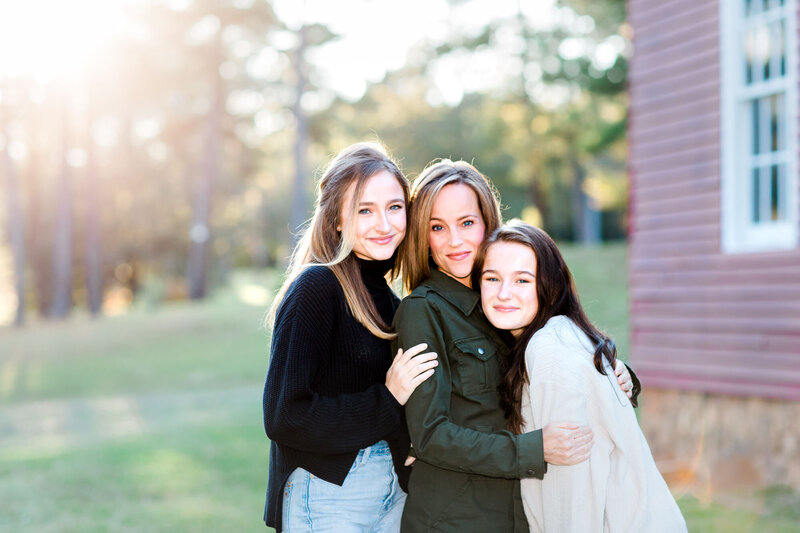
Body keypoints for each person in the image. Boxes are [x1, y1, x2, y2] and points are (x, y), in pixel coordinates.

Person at [392, 160, 637, 532]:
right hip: (455, 517)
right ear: (421, 237)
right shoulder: (423, 311)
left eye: (467, 223)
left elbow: (560, 344)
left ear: (488, 223)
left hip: (523, 513)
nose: (454, 241)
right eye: (437, 227)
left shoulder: (506, 297)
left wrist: (618, 375)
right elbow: (430, 435)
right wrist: (533, 450)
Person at [262, 142, 438, 533]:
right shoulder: (317, 287)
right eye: (365, 210)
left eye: (395, 207)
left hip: (389, 490)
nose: (385, 224)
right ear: (338, 219)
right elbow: (283, 416)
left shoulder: (389, 300)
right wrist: (388, 400)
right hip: (329, 492)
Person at [475, 220, 686, 533]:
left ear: (549, 286)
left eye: (522, 280)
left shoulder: (550, 348)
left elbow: (571, 482)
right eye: (492, 278)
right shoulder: (560, 337)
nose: (503, 293)